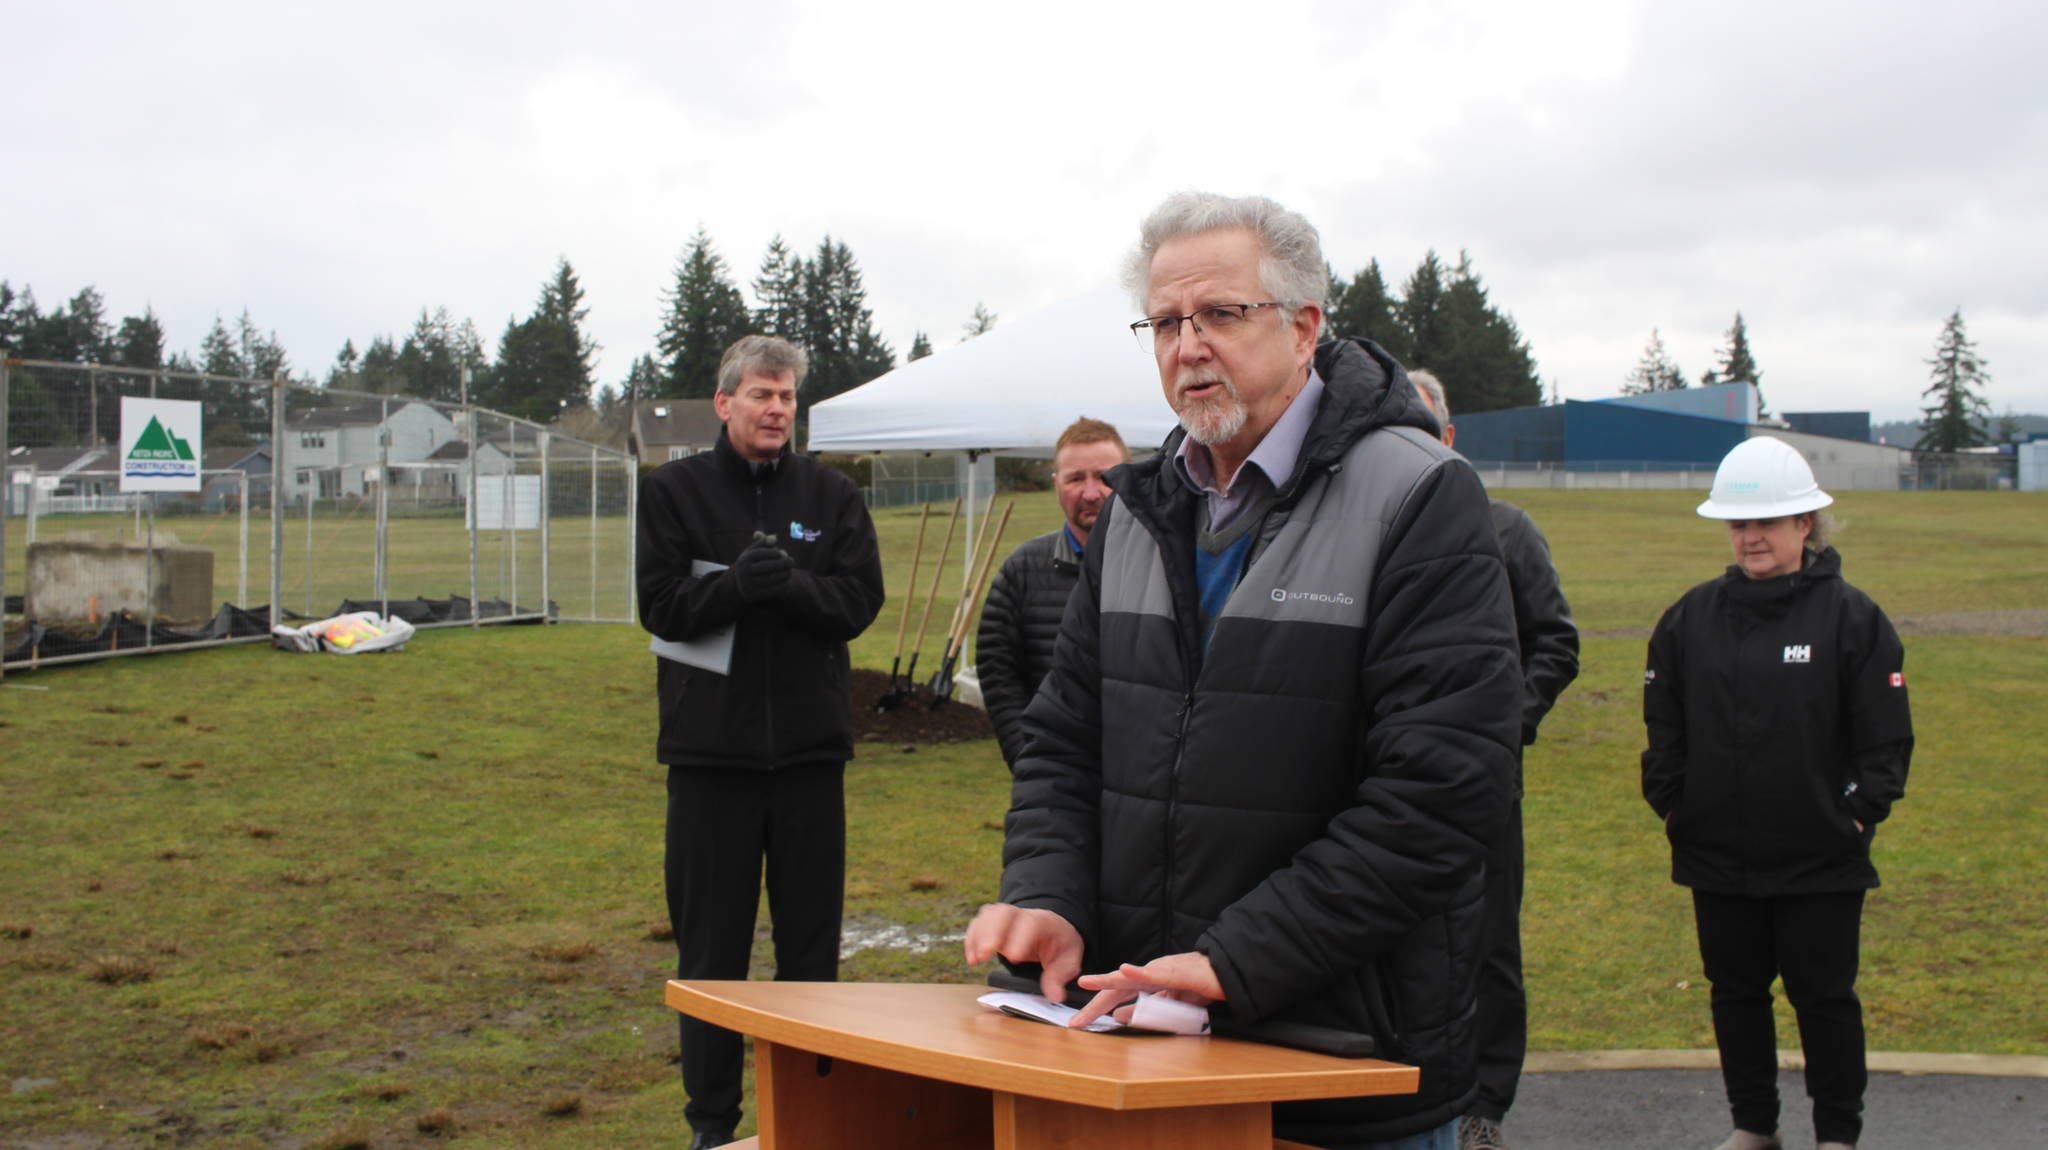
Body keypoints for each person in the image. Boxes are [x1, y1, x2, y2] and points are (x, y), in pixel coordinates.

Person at [964, 191, 1523, 1150]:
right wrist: (1049, 892)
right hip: (1139, 1038)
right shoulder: (1138, 509)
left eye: (1221, 314)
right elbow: (1064, 740)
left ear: (1304, 328)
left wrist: (1233, 960)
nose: (1189, 346)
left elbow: (1439, 793)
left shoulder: (1420, 497)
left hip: (1340, 1059)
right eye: (1167, 322)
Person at [636, 334, 885, 1150]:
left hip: (811, 760)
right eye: (762, 394)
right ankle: (712, 1127)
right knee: (712, 958)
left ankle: (810, 1118)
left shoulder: (830, 492)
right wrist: (733, 588)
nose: (777, 409)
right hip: (711, 765)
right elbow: (663, 608)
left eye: (787, 397)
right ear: (725, 402)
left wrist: (793, 589)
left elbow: (857, 601)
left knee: (812, 954)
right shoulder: (672, 492)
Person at [1641, 436, 1911, 1150]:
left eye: (1767, 523)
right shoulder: (1689, 620)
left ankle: (1836, 1135)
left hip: (1820, 859)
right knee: (1735, 996)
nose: (1751, 538)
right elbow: (1662, 732)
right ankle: (1753, 1126)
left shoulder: (1854, 619)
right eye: (1739, 524)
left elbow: (1885, 744)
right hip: (1718, 857)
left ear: (1805, 526)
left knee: (1824, 1001)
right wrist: (1675, 804)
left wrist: (1852, 816)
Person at [1409, 370, 1579, 1150]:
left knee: (1488, 940)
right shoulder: (1375, 526)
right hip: (1389, 781)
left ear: (1449, 437)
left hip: (1481, 782)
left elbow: (1556, 641)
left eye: (1424, 428)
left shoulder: (1505, 528)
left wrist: (1503, 728)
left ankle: (1486, 1103)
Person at [976, 417, 1129, 770]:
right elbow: (997, 671)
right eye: (1075, 478)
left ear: (1128, 478)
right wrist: (1027, 759)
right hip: (1055, 774)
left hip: (1143, 776)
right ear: (1055, 484)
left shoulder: (1163, 561)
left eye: (1105, 477)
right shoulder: (1022, 570)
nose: (1091, 493)